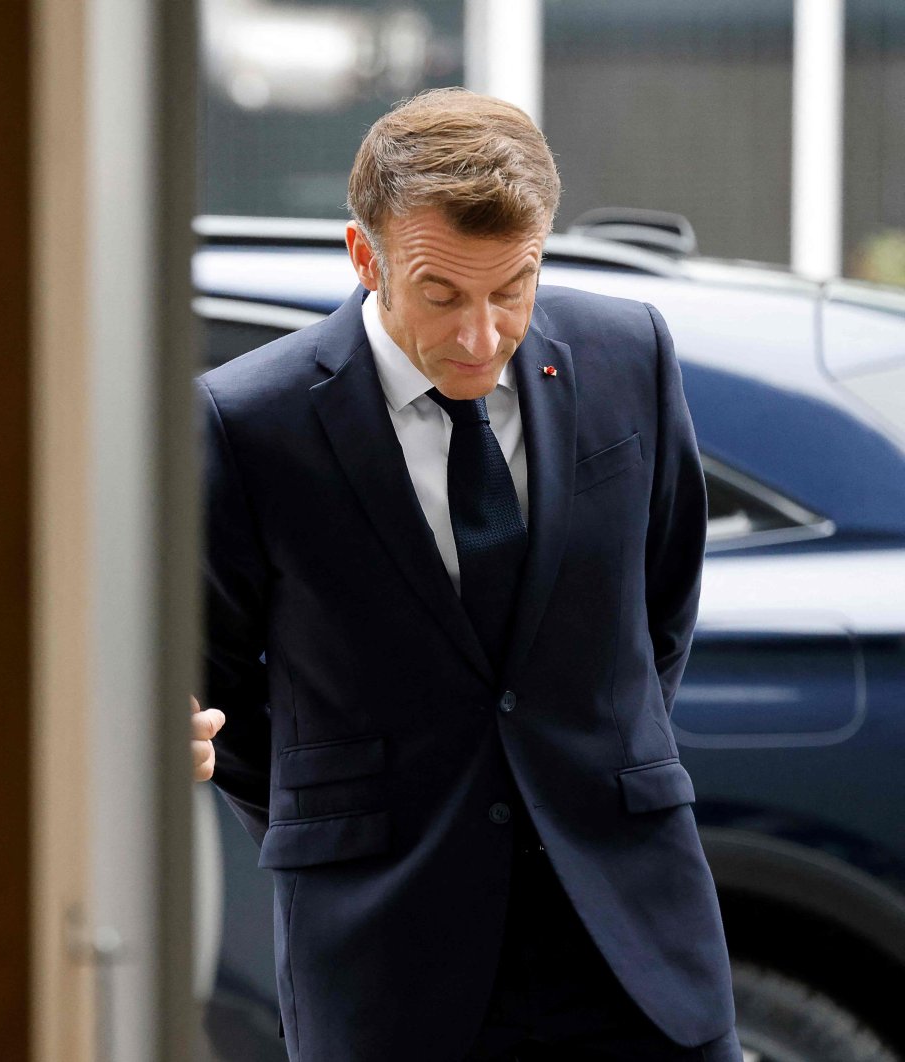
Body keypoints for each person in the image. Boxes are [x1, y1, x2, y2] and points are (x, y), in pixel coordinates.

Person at [190, 88, 741, 1061]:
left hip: (632, 938)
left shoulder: (629, 356)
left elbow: (662, 602)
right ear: (364, 258)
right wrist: (352, 820)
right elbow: (219, 687)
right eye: (441, 295)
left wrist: (591, 766)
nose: (480, 337)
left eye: (512, 289)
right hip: (387, 955)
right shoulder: (248, 422)